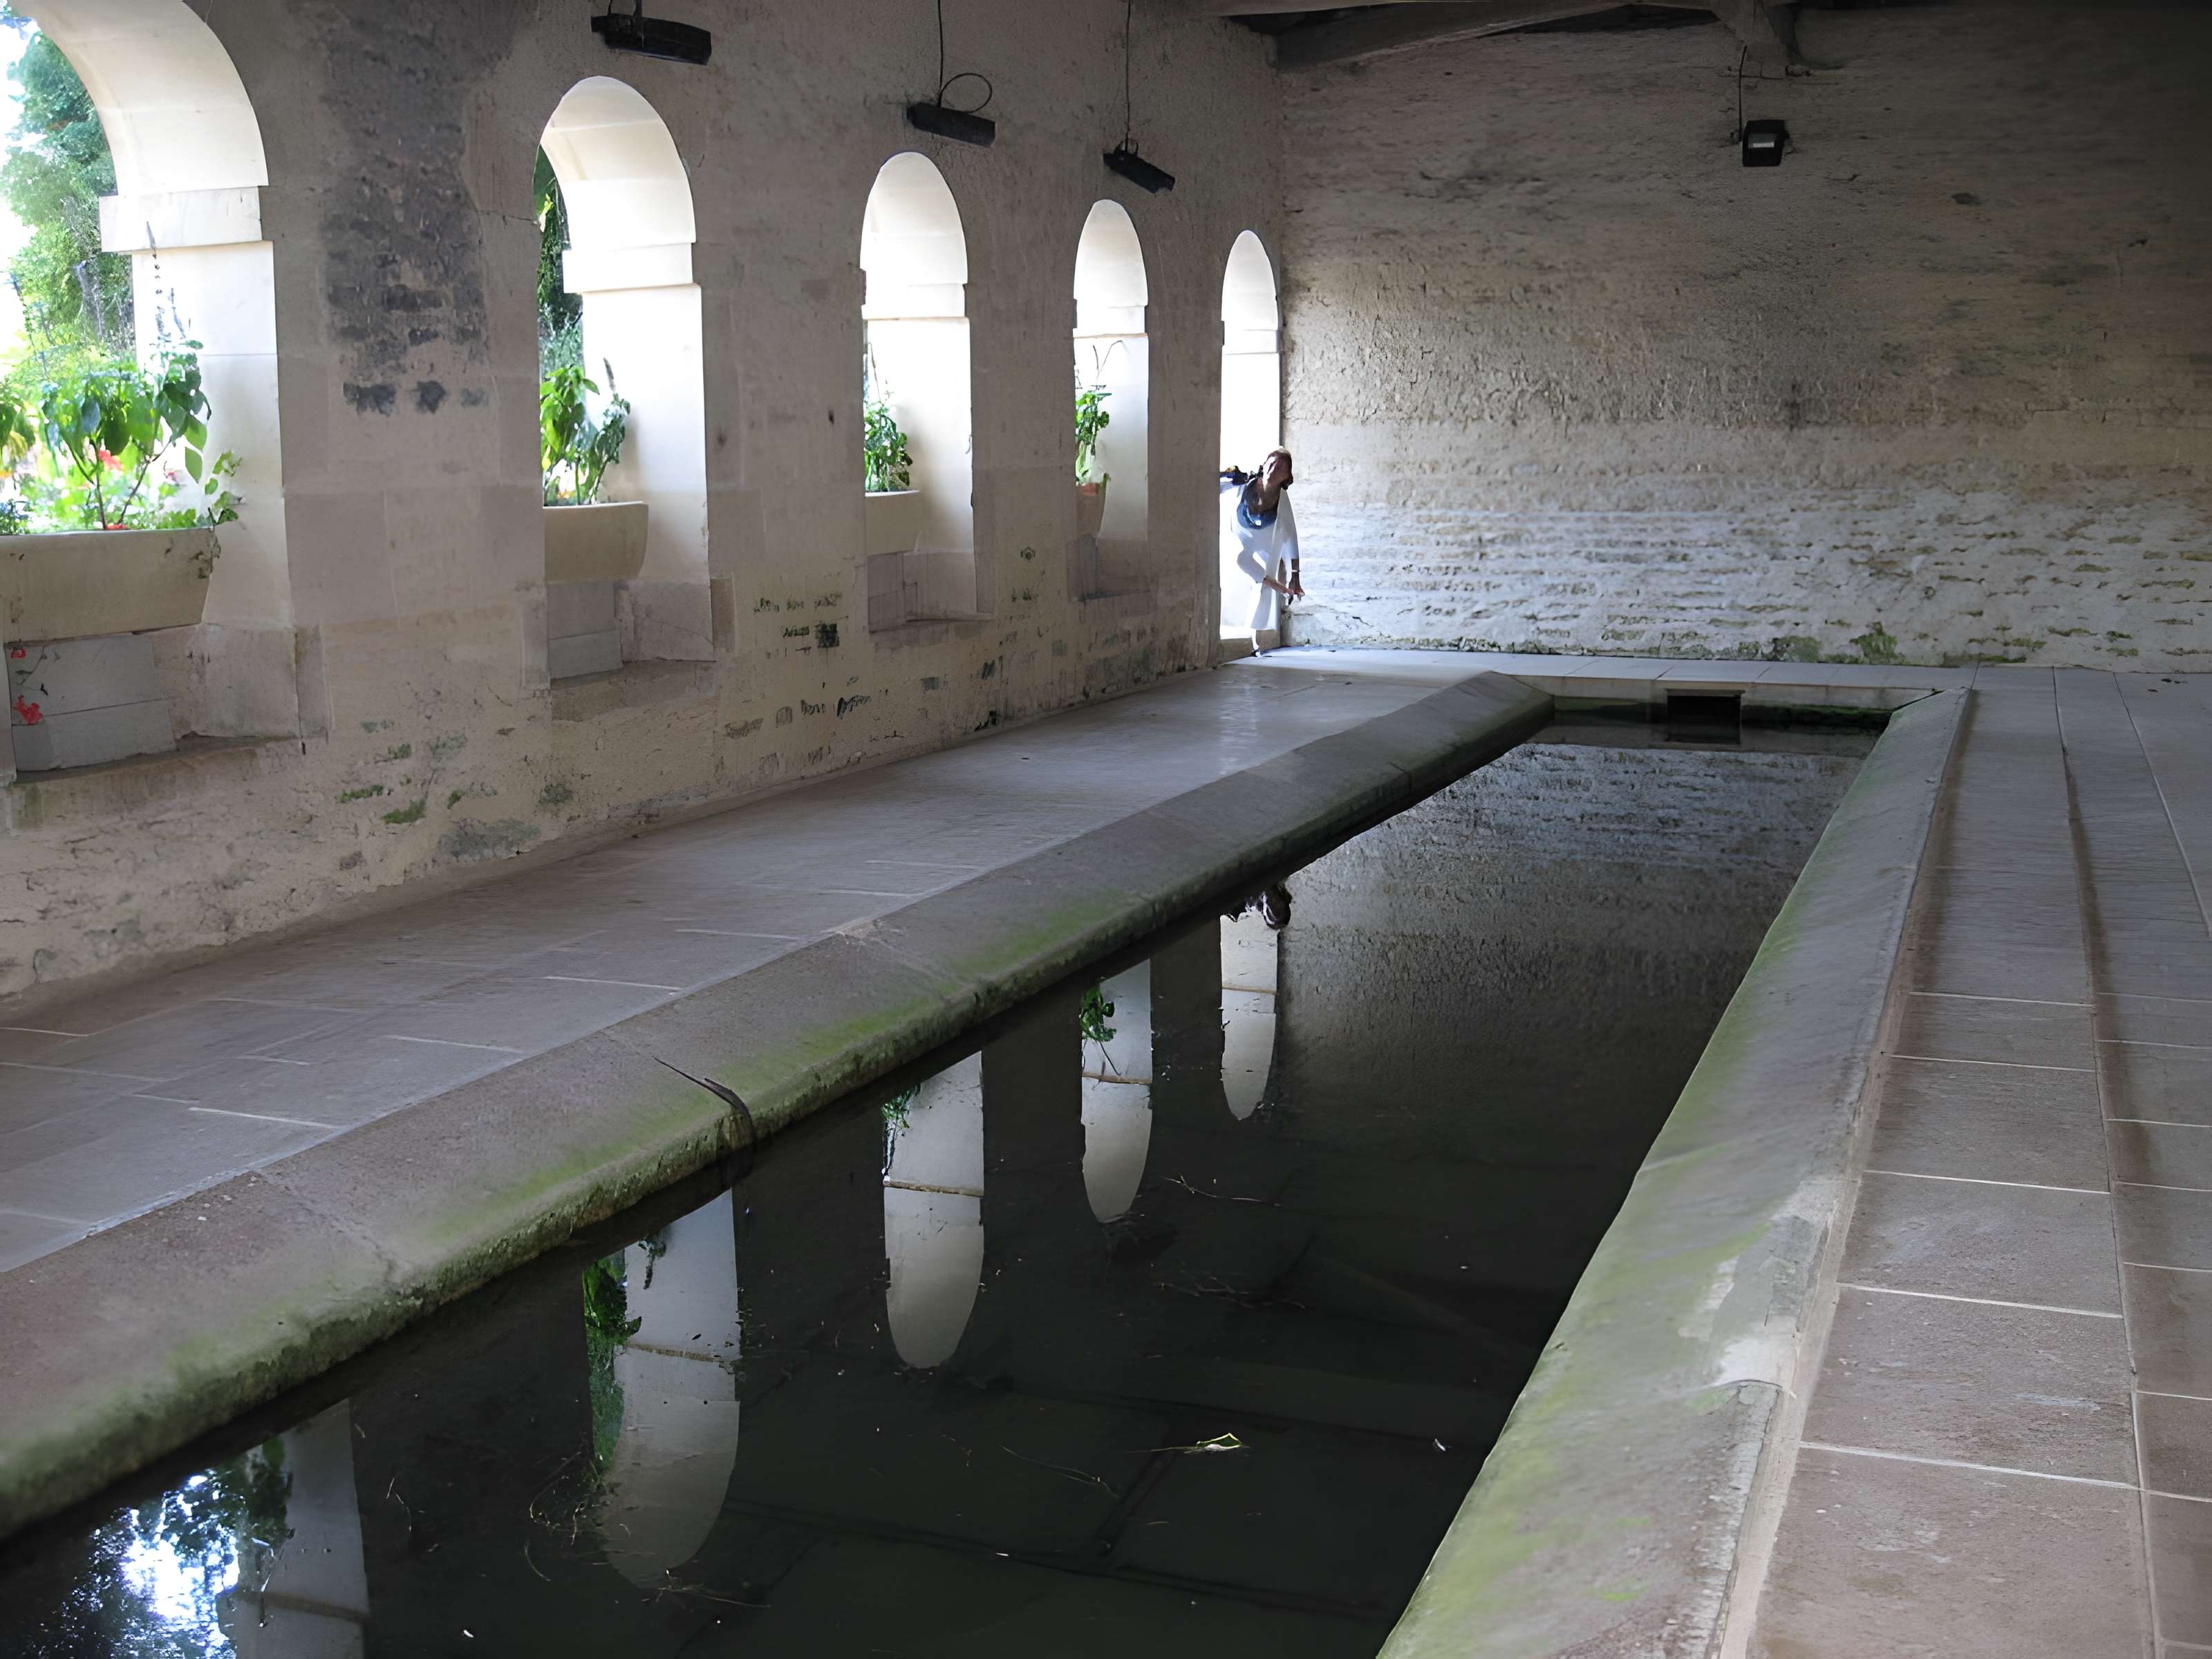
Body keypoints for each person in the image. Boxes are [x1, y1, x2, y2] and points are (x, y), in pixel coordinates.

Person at [1221, 449, 1300, 650]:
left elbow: (1291, 537)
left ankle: (1256, 637)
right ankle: (1278, 586)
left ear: (1287, 477)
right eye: (1271, 464)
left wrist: (1296, 576)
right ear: (1264, 465)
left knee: (1269, 579)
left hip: (1266, 540)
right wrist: (1226, 476)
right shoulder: (1246, 484)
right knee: (1241, 559)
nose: (1273, 470)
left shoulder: (1282, 500)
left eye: (1280, 468)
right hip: (1242, 535)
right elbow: (1215, 486)